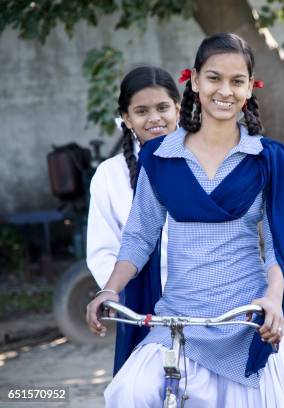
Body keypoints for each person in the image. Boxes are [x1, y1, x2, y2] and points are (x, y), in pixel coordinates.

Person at [86, 33, 284, 407]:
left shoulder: (269, 159)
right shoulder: (160, 157)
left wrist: (273, 300)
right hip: (177, 320)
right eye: (214, 78)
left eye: (237, 81)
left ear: (250, 87)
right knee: (130, 393)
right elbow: (139, 237)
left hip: (246, 320)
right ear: (195, 80)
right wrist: (109, 289)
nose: (225, 91)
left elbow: (278, 248)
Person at [86, 65, 180, 375]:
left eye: (162, 107)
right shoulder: (109, 176)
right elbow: (102, 250)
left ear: (178, 109)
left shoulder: (203, 161)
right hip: (139, 304)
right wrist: (118, 296)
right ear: (127, 118)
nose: (154, 118)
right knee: (141, 389)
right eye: (141, 110)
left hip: (202, 299)